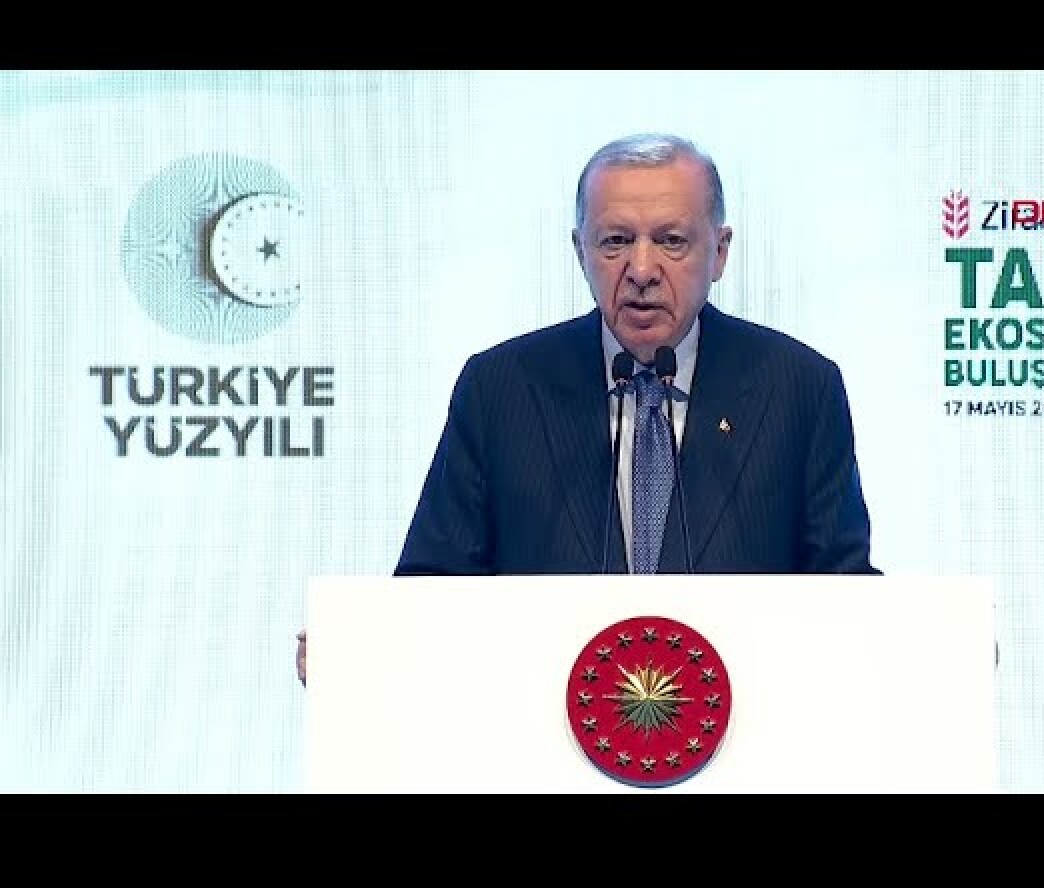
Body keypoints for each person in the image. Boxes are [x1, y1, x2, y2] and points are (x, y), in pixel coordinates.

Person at [296, 133, 878, 685]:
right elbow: (436, 584)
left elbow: (846, 594)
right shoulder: (501, 388)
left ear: (720, 251)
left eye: (671, 241)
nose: (642, 270)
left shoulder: (798, 387)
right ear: (580, 251)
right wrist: (363, 648)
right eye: (615, 241)